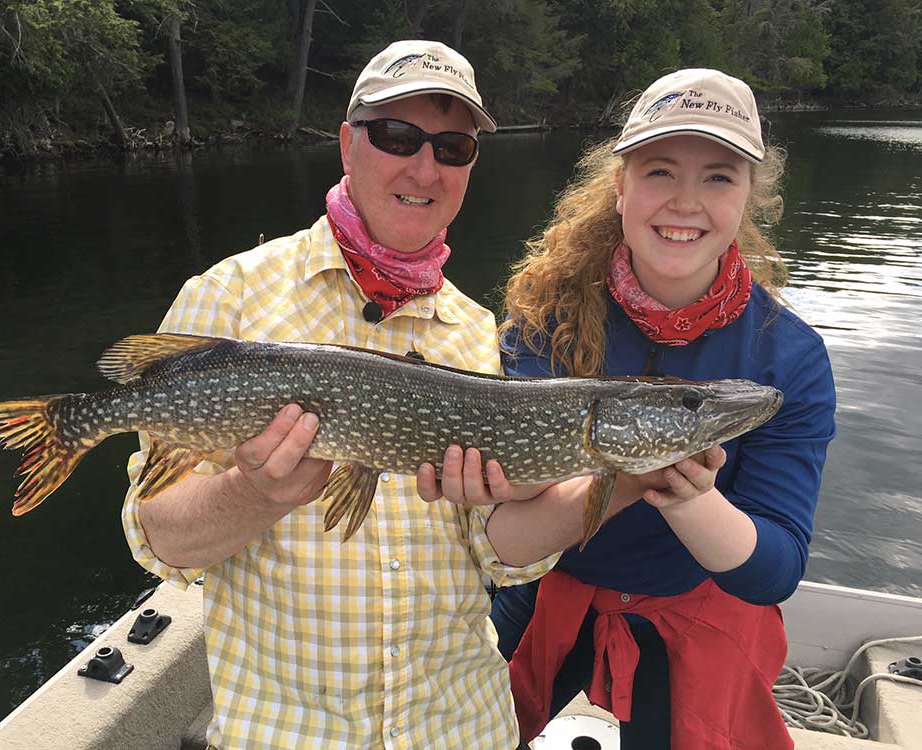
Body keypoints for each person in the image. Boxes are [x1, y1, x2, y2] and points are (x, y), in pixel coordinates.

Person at [120, 40, 659, 750]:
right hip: (291, 734)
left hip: (462, 727)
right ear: (348, 146)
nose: (424, 167)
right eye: (397, 137)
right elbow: (156, 536)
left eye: (453, 147)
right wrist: (257, 493)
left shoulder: (474, 331)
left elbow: (497, 554)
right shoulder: (230, 296)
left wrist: (621, 485)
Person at [429, 69, 837, 749]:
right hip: (551, 584)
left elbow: (772, 571)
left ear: (748, 199)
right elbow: (504, 530)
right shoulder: (547, 314)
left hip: (694, 610)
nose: (685, 202)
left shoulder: (788, 359)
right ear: (619, 188)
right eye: (659, 172)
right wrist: (608, 480)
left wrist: (683, 497)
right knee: (458, 735)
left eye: (718, 177)